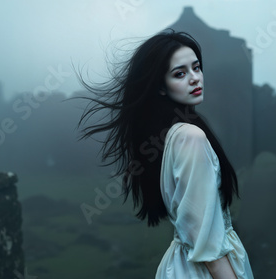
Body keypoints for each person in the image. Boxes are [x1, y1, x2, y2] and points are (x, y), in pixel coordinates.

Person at [71, 29, 253, 279]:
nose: (195, 78)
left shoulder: (171, 135)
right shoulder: (189, 137)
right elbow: (207, 243)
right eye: (180, 73)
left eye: (196, 68)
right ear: (161, 87)